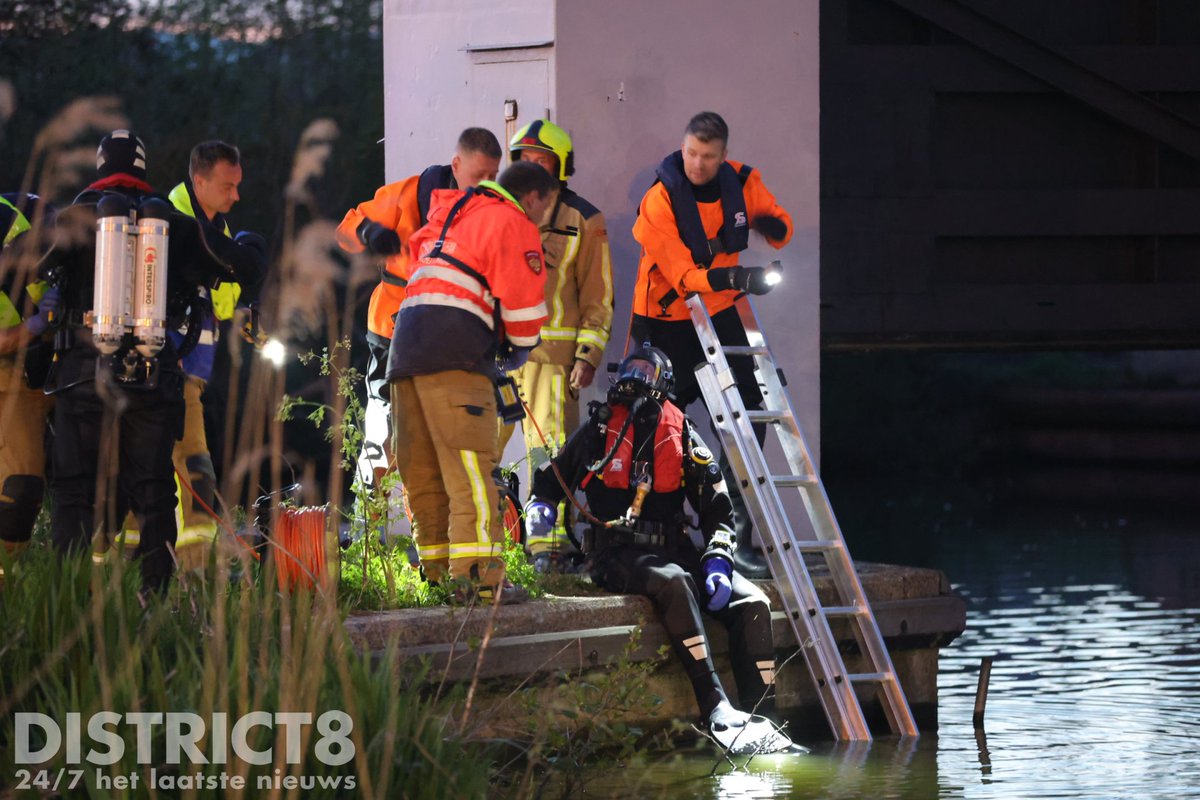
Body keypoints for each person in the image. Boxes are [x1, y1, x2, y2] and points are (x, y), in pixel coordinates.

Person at [524, 346, 790, 752]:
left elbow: (719, 509)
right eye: (631, 368)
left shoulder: (679, 430)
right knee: (676, 581)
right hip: (615, 552)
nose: (637, 377)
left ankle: (765, 721)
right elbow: (550, 481)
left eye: (647, 371)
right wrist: (539, 510)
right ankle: (715, 706)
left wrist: (718, 560)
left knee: (753, 602)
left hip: (675, 548)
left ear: (664, 383)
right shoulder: (599, 428)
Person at [44, 130, 267, 595]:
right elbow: (242, 265)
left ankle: (67, 604)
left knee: (73, 493)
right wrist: (252, 248)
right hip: (152, 377)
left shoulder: (71, 219)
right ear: (144, 172)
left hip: (81, 379)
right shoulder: (174, 226)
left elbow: (20, 265)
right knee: (154, 493)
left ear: (100, 168)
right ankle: (154, 604)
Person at [631, 111, 792, 577]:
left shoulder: (741, 182)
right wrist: (737, 275)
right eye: (691, 154)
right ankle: (657, 532)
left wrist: (771, 226)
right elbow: (683, 278)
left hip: (720, 314)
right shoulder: (659, 201)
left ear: (723, 155)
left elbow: (778, 220)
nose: (698, 164)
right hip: (665, 320)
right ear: (683, 149)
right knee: (654, 427)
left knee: (749, 419)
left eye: (708, 156)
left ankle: (729, 539)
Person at [388, 160, 558, 603]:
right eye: (545, 208)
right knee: (471, 473)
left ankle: (440, 579)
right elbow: (522, 312)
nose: (541, 218)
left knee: (423, 474)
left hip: (404, 351)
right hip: (455, 354)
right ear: (534, 198)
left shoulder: (451, 214)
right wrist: (516, 350)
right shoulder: (512, 221)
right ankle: (482, 580)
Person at [336, 128, 502, 531]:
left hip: (450, 336)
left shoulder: (491, 210)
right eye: (479, 176)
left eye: (493, 176)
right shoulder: (409, 194)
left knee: (437, 437)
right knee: (386, 431)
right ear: (457, 164)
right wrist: (370, 233)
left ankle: (429, 532)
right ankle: (367, 530)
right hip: (392, 329)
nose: (486, 186)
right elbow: (347, 230)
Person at [498, 120, 613, 568]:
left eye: (541, 161)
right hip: (502, 355)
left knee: (549, 450)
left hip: (554, 358)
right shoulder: (497, 213)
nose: (532, 168)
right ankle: (488, 541)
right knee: (484, 444)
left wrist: (587, 356)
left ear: (560, 167)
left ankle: (547, 549)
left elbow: (598, 297)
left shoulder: (583, 219)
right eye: (524, 160)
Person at [162, 140, 264, 568]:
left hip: (197, 372)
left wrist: (243, 311)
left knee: (175, 467)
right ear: (198, 180)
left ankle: (156, 562)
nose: (235, 197)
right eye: (228, 186)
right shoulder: (172, 223)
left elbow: (218, 305)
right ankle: (198, 566)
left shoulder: (216, 230)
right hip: (171, 370)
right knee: (193, 463)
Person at [0, 193, 56, 570]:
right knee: (21, 484)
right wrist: (40, 323)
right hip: (11, 374)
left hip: (52, 370)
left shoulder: (20, 214)